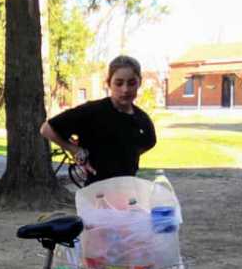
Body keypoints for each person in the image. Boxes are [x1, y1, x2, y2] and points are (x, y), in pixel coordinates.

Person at [40, 55, 156, 184]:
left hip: (127, 190)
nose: (125, 89)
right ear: (109, 83)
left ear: (139, 82)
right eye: (119, 83)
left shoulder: (141, 118)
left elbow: (149, 142)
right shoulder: (92, 111)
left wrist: (126, 155)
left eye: (131, 83)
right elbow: (47, 129)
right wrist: (75, 150)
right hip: (96, 192)